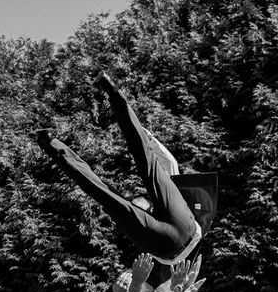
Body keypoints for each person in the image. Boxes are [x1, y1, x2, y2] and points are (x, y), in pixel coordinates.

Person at [32, 72, 217, 271]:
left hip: (175, 237)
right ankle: (108, 95)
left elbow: (157, 160)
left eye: (139, 201)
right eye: (138, 202)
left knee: (109, 190)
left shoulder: (161, 203)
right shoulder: (160, 207)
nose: (138, 202)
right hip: (175, 239)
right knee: (109, 191)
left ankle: (107, 95)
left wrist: (146, 137)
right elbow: (159, 160)